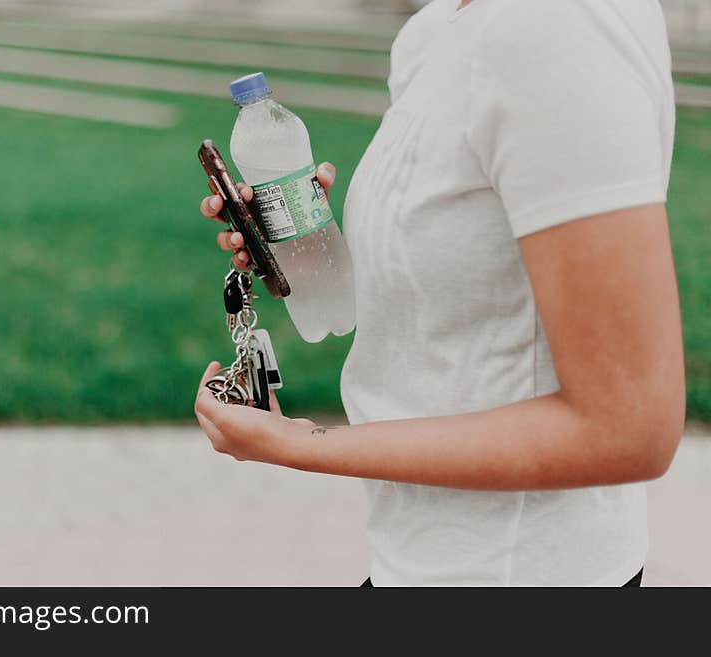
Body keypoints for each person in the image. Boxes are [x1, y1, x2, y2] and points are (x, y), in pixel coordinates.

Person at [194, 0, 684, 586]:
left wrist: (302, 443)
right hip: (416, 562)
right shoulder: (433, 32)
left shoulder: (560, 24)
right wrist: (301, 241)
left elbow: (628, 429)